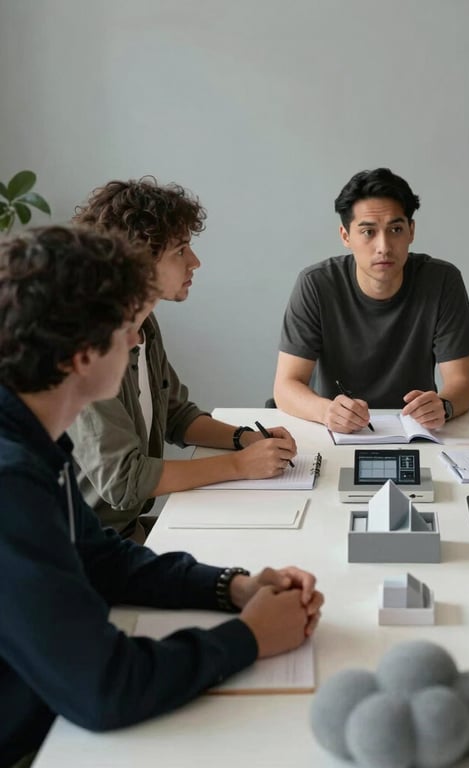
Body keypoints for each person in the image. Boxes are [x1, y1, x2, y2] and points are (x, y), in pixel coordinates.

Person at [0, 226, 323, 768]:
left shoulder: (32, 436)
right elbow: (103, 687)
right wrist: (248, 639)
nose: (135, 340)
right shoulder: (10, 480)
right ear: (81, 355)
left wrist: (233, 587)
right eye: (126, 326)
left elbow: (99, 555)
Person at [69, 178, 297, 541]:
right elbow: (124, 481)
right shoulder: (90, 348)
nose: (195, 262)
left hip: (127, 530)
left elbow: (176, 414)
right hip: (91, 548)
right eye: (180, 250)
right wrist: (239, 466)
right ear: (137, 262)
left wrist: (245, 439)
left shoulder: (145, 326)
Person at [273, 167, 469, 434]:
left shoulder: (442, 280)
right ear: (346, 236)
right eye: (368, 232)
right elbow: (286, 386)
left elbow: (462, 384)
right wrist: (326, 412)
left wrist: (443, 405)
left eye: (395, 229)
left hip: (415, 431)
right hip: (338, 432)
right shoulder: (316, 284)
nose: (384, 246)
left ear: (411, 231)